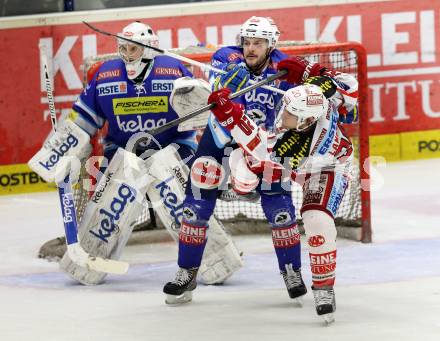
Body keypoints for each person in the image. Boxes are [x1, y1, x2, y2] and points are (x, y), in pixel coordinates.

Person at [29, 21, 242, 286]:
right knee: (121, 182)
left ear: (149, 48)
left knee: (171, 181)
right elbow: (83, 120)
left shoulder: (172, 70)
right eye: (123, 48)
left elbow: (195, 120)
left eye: (133, 49)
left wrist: (197, 97)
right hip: (121, 150)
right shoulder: (106, 75)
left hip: (174, 148)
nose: (127, 55)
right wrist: (61, 151)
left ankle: (214, 258)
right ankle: (87, 261)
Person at [163, 16, 307, 305]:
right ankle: (186, 272)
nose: (250, 49)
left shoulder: (285, 66)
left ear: (271, 44)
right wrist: (232, 76)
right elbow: (220, 92)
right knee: (195, 208)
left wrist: (302, 77)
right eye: (247, 42)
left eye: (258, 43)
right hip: (220, 137)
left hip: (263, 144)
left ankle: (292, 271)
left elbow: (306, 98)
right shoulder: (225, 57)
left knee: (281, 211)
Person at [205, 63, 358, 323]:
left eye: (290, 112)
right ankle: (245, 187)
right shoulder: (318, 98)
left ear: (306, 121)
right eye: (286, 106)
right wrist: (312, 71)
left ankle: (323, 288)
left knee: (316, 220)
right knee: (245, 163)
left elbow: (257, 143)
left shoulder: (295, 145)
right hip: (300, 164)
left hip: (328, 169)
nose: (283, 113)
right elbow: (349, 86)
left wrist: (230, 113)